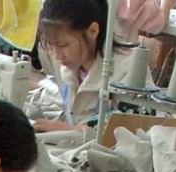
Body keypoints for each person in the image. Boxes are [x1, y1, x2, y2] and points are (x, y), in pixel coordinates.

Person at [25, 0, 111, 133]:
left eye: (63, 45)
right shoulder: (68, 63)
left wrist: (71, 130)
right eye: (50, 44)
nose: (57, 55)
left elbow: (123, 136)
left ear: (93, 31)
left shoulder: (126, 72)